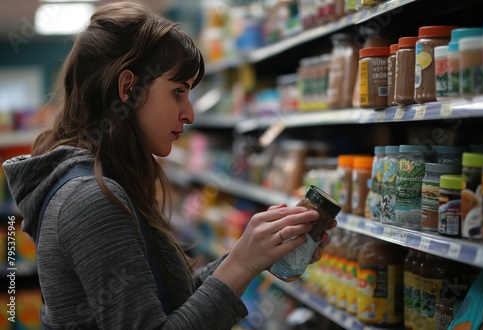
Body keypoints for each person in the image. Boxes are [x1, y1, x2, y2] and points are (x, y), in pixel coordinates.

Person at [2, 1, 336, 329]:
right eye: (178, 91)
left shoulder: (98, 183)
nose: (189, 113)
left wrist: (256, 253)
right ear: (128, 88)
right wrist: (242, 263)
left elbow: (165, 304)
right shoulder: (89, 198)